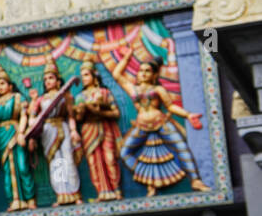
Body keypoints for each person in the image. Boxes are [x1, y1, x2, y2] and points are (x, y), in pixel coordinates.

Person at [110, 48, 209, 197]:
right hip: (142, 126)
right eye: (141, 70)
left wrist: (188, 115)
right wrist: (128, 57)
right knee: (124, 153)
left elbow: (170, 106)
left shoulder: (158, 89)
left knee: (181, 147)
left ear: (154, 75)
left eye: (147, 71)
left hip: (160, 122)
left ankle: (195, 180)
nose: (143, 73)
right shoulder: (132, 89)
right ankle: (147, 179)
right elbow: (116, 74)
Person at [24, 60, 82, 206]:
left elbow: (70, 116)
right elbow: (32, 119)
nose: (48, 81)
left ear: (57, 80)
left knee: (68, 159)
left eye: (51, 78)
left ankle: (75, 193)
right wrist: (31, 136)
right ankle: (61, 194)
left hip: (63, 127)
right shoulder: (41, 99)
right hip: (48, 131)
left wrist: (74, 130)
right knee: (56, 163)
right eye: (46, 79)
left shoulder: (65, 96)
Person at [74, 60, 123, 201]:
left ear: (94, 76)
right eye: (82, 76)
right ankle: (101, 192)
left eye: (86, 75)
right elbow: (78, 118)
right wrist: (81, 111)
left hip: (104, 126)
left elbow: (116, 113)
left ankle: (116, 190)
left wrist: (99, 112)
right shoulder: (80, 97)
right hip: (88, 129)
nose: (84, 78)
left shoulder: (105, 93)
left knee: (109, 158)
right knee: (93, 162)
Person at [0, 65, 35, 210]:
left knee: (22, 166)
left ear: (10, 85)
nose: (0, 87)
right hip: (2, 135)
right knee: (8, 170)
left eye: (2, 83)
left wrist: (22, 132)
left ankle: (30, 199)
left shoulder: (18, 97)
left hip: (16, 132)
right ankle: (13, 201)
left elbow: (24, 115)